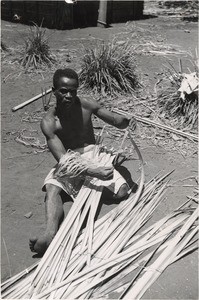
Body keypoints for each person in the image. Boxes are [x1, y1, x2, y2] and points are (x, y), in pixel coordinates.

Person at [29, 68, 135, 255]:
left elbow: (114, 120)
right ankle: (50, 234)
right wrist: (93, 173)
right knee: (53, 188)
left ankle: (84, 191)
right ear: (54, 90)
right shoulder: (49, 122)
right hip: (70, 159)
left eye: (73, 91)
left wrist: (126, 121)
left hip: (93, 154)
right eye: (63, 91)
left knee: (122, 193)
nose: (69, 95)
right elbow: (63, 160)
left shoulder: (86, 105)